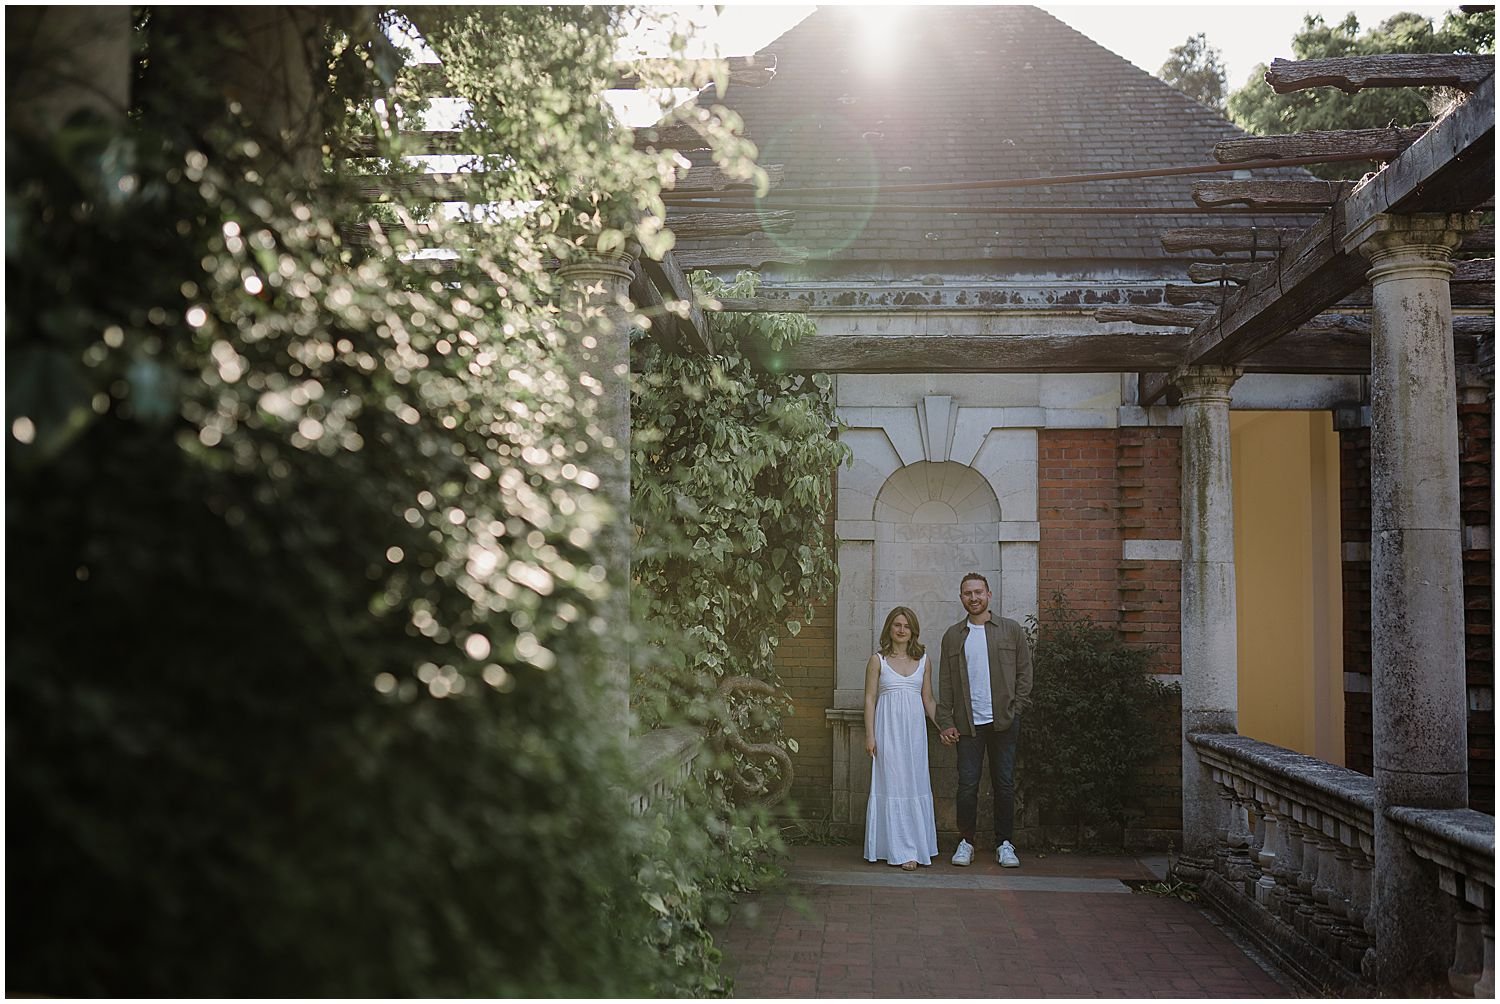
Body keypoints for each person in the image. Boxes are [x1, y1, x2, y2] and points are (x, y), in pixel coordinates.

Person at [936, 572, 1033, 868]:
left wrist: (1017, 709)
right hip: (967, 725)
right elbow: (946, 683)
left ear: (989, 595)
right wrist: (946, 720)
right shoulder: (953, 635)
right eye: (968, 593)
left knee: (1004, 783)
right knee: (967, 785)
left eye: (979, 592)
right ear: (961, 597)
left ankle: (1005, 843)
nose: (974, 598)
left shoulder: (1010, 630)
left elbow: (1025, 673)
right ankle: (966, 842)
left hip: (1004, 722)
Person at [863, 605, 939, 870]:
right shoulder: (877, 660)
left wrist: (944, 727)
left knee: (914, 784)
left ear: (913, 630)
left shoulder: (924, 660)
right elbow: (870, 699)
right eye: (897, 625)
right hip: (887, 732)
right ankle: (895, 848)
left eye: (906, 625)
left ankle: (916, 847)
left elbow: (928, 699)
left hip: (915, 735)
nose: (902, 630)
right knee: (892, 784)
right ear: (889, 628)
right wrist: (870, 736)